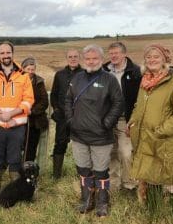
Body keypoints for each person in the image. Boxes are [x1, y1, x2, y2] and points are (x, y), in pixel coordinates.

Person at [63, 45, 124, 217]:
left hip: (101, 136)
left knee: (100, 171)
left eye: (95, 58)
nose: (91, 61)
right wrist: (70, 120)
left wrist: (107, 123)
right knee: (83, 169)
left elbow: (118, 103)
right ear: (84, 60)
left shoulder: (109, 79)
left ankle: (102, 203)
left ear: (101, 59)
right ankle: (86, 200)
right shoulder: (77, 78)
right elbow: (67, 100)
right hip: (78, 134)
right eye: (88, 58)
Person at [127, 44, 173, 204]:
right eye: (148, 57)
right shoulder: (145, 80)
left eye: (156, 57)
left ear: (164, 60)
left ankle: (165, 210)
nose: (152, 60)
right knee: (146, 174)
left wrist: (161, 131)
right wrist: (132, 122)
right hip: (143, 137)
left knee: (163, 174)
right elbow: (138, 105)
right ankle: (147, 207)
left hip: (162, 139)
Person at [0, 41, 34, 196]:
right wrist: (1, 115)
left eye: (8, 52)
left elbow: (28, 100)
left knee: (15, 158)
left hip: (16, 124)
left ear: (12, 53)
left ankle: (15, 191)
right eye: (2, 53)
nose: (5, 55)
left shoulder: (23, 76)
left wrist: (11, 115)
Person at [102, 42, 141, 192]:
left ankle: (129, 184)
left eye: (116, 53)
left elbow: (140, 97)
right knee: (111, 153)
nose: (113, 56)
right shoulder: (103, 71)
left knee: (125, 154)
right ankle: (113, 185)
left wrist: (134, 119)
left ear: (124, 54)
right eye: (111, 53)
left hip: (126, 120)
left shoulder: (135, 71)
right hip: (107, 120)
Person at [50, 48, 83, 178]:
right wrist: (56, 110)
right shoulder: (60, 75)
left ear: (79, 58)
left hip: (79, 117)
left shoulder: (85, 74)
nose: (73, 59)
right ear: (67, 58)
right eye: (70, 57)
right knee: (60, 143)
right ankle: (56, 174)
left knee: (81, 145)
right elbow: (54, 94)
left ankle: (82, 174)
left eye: (75, 56)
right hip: (63, 117)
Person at [20, 57, 49, 163]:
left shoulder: (39, 82)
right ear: (23, 69)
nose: (31, 72)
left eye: (33, 69)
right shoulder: (17, 81)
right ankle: (17, 170)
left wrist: (32, 111)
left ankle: (29, 170)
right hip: (19, 118)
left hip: (35, 120)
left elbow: (44, 101)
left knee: (31, 146)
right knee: (18, 145)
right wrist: (22, 110)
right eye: (28, 69)